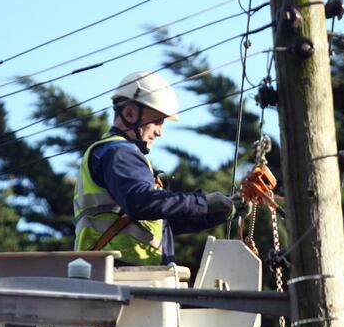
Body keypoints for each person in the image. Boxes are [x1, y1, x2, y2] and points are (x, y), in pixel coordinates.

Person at [73, 70, 236, 265]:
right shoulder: (118, 152)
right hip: (118, 275)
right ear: (130, 113)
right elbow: (142, 202)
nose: (160, 132)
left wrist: (218, 210)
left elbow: (164, 221)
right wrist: (203, 202)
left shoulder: (117, 153)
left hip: (121, 274)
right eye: (157, 121)